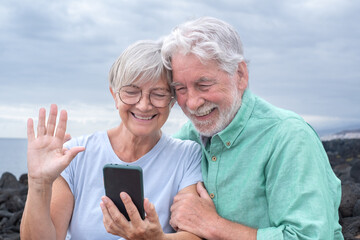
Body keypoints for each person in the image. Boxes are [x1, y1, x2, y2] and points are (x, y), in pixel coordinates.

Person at [161, 17, 344, 240]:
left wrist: (213, 225)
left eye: (204, 85)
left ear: (240, 75)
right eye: (180, 88)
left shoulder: (288, 137)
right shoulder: (186, 139)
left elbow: (311, 237)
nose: (191, 103)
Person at [20, 40, 203, 240]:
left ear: (172, 100)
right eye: (131, 92)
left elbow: (194, 234)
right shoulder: (75, 154)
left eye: (158, 94)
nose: (143, 105)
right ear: (114, 95)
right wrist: (38, 183)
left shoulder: (187, 156)